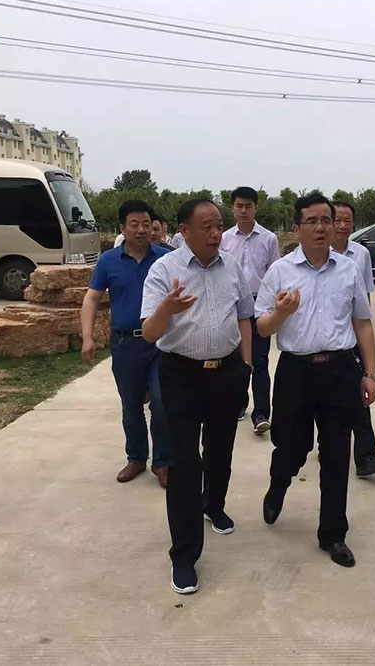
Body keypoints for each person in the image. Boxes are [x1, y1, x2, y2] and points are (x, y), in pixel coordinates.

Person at [257, 193, 375, 568]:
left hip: (341, 371)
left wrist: (370, 372)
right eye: (312, 221)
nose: (322, 227)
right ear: (297, 228)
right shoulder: (280, 271)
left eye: (327, 219)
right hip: (296, 371)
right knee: (291, 447)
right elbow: (262, 327)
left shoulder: (349, 269)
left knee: (337, 454)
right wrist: (281, 313)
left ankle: (333, 534)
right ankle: (279, 484)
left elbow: (362, 322)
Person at [141, 197, 253, 595]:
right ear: (184, 231)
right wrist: (167, 308)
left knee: (221, 450)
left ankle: (214, 505)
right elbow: (150, 332)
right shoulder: (163, 270)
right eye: (206, 226)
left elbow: (244, 315)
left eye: (219, 225)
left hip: (227, 372)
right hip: (181, 375)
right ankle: (184, 555)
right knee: (185, 463)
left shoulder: (232, 267)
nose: (216, 233)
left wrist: (246, 365)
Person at [82, 200, 171, 487]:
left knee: (161, 403)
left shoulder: (166, 258)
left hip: (160, 344)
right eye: (134, 224)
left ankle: (163, 462)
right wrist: (87, 337)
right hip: (125, 344)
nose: (142, 230)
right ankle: (136, 458)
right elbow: (92, 298)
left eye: (146, 224)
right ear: (123, 228)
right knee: (131, 405)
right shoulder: (108, 261)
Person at [332, 200, 375, 477]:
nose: (343, 226)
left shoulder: (361, 254)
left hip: (352, 336)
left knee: (359, 395)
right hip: (327, 338)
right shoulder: (316, 253)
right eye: (337, 220)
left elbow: (364, 296)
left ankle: (366, 456)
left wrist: (363, 332)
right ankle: (328, 445)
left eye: (348, 221)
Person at [219, 186, 281, 434]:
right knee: (234, 359)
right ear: (232, 208)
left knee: (260, 360)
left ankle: (261, 413)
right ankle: (238, 403)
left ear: (257, 207)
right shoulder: (224, 239)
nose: (243, 211)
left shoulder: (269, 239)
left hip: (259, 304)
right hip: (231, 305)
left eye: (248, 206)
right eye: (239, 206)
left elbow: (275, 274)